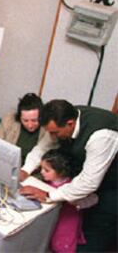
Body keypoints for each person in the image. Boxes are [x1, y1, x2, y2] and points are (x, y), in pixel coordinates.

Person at [19, 99, 118, 252]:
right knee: (76, 227)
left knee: (97, 233)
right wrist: (25, 170)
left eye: (55, 133)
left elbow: (89, 183)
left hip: (112, 184)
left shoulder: (101, 136)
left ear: (70, 124)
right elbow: (42, 148)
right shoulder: (61, 119)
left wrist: (49, 195)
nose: (52, 136)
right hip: (89, 178)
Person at [40, 149, 86, 253]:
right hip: (53, 217)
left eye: (46, 170)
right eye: (41, 168)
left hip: (67, 218)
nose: (42, 172)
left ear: (61, 172)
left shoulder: (71, 186)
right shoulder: (47, 183)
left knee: (61, 244)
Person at [0, 93, 46, 164]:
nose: (30, 125)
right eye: (25, 120)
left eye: (34, 120)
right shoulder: (9, 120)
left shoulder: (47, 129)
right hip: (7, 164)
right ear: (19, 117)